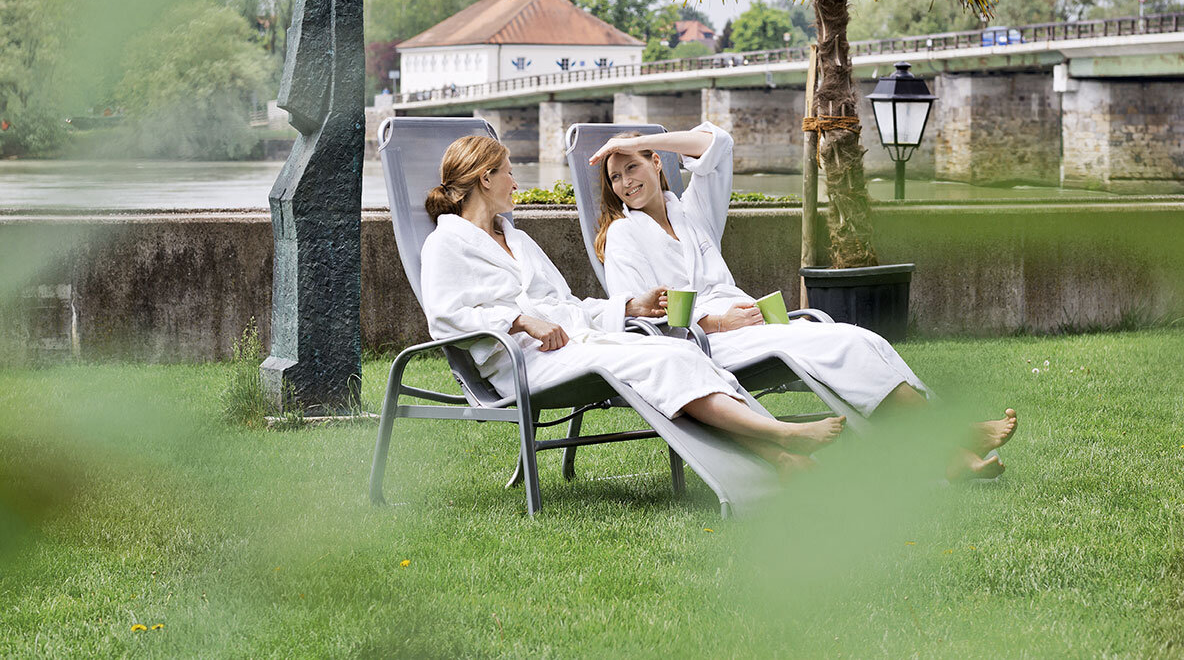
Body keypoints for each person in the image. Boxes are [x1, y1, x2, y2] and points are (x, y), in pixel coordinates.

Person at [591, 123, 1017, 479]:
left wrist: (634, 140)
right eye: (615, 177)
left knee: (860, 340)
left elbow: (717, 143)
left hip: (753, 323)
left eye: (634, 166)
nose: (626, 182)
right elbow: (640, 315)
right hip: (705, 342)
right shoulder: (623, 234)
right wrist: (718, 322)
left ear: (657, 163)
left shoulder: (691, 211)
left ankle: (951, 453)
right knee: (842, 346)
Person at [419, 134, 846, 475]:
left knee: (677, 351)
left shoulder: (517, 239)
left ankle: (779, 457)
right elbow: (445, 318)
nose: (517, 183)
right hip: (524, 362)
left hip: (571, 344)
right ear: (486, 178)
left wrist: (627, 309)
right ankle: (782, 435)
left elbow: (566, 305)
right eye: (510, 174)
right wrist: (518, 320)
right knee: (662, 362)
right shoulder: (446, 243)